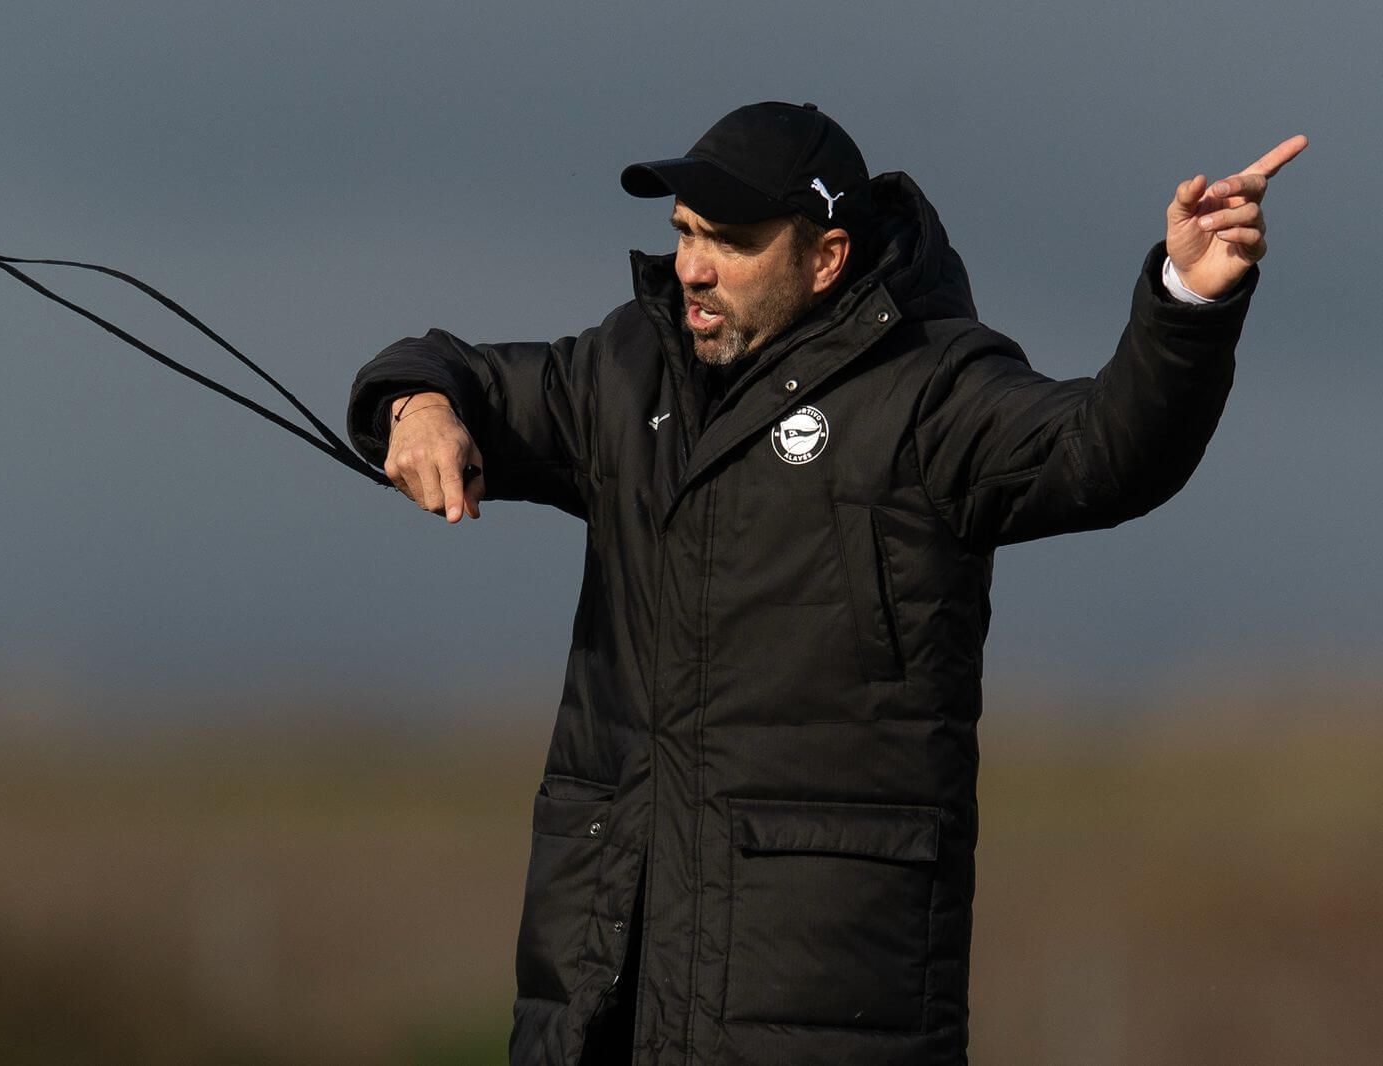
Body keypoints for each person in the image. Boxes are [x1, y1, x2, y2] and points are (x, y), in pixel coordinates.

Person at [345, 102, 1305, 1066]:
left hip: (828, 1003)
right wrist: (418, 407)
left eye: (729, 240)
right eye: (683, 233)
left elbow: (1108, 451)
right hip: (598, 1003)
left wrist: (1189, 301)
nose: (692, 266)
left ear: (827, 258)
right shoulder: (626, 371)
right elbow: (454, 370)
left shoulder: (935, 390)